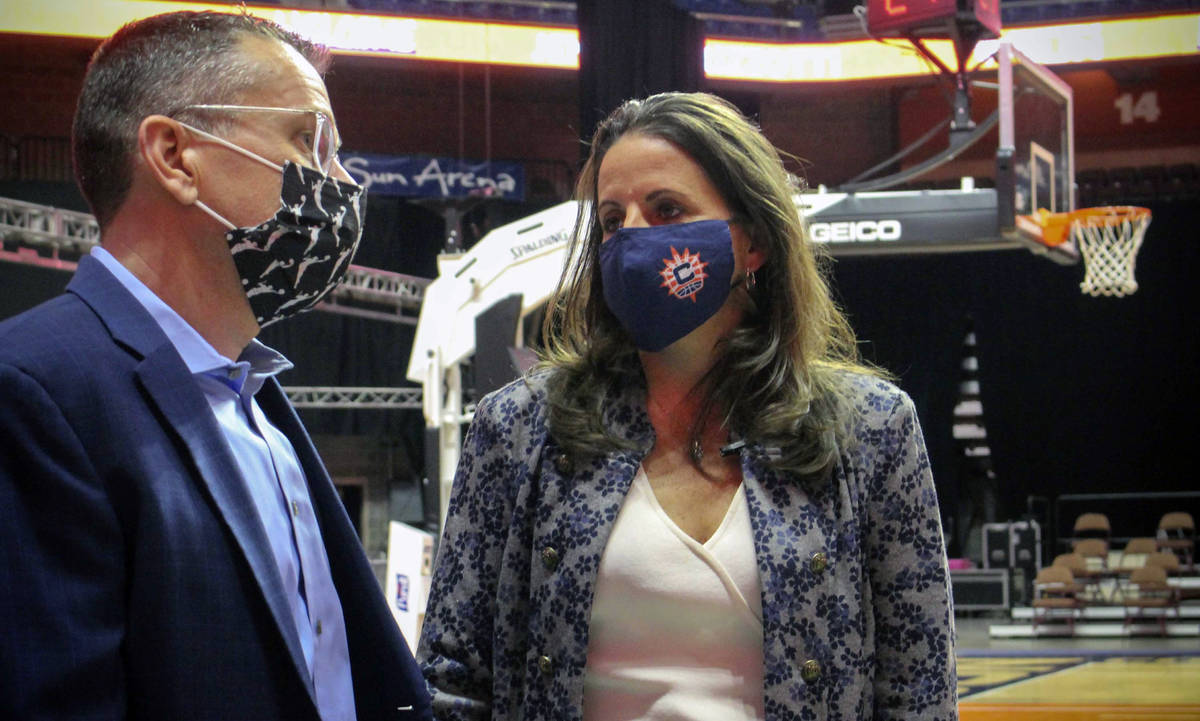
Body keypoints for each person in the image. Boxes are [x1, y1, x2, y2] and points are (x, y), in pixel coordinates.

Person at [417, 91, 956, 720]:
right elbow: (453, 678)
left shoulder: (871, 429)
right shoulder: (516, 427)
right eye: (613, 220)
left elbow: (918, 687)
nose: (633, 238)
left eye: (667, 209)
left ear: (752, 243)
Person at [0, 10, 431, 721]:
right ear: (174, 156)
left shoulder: (255, 396)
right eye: (310, 140)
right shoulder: (34, 393)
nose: (343, 182)